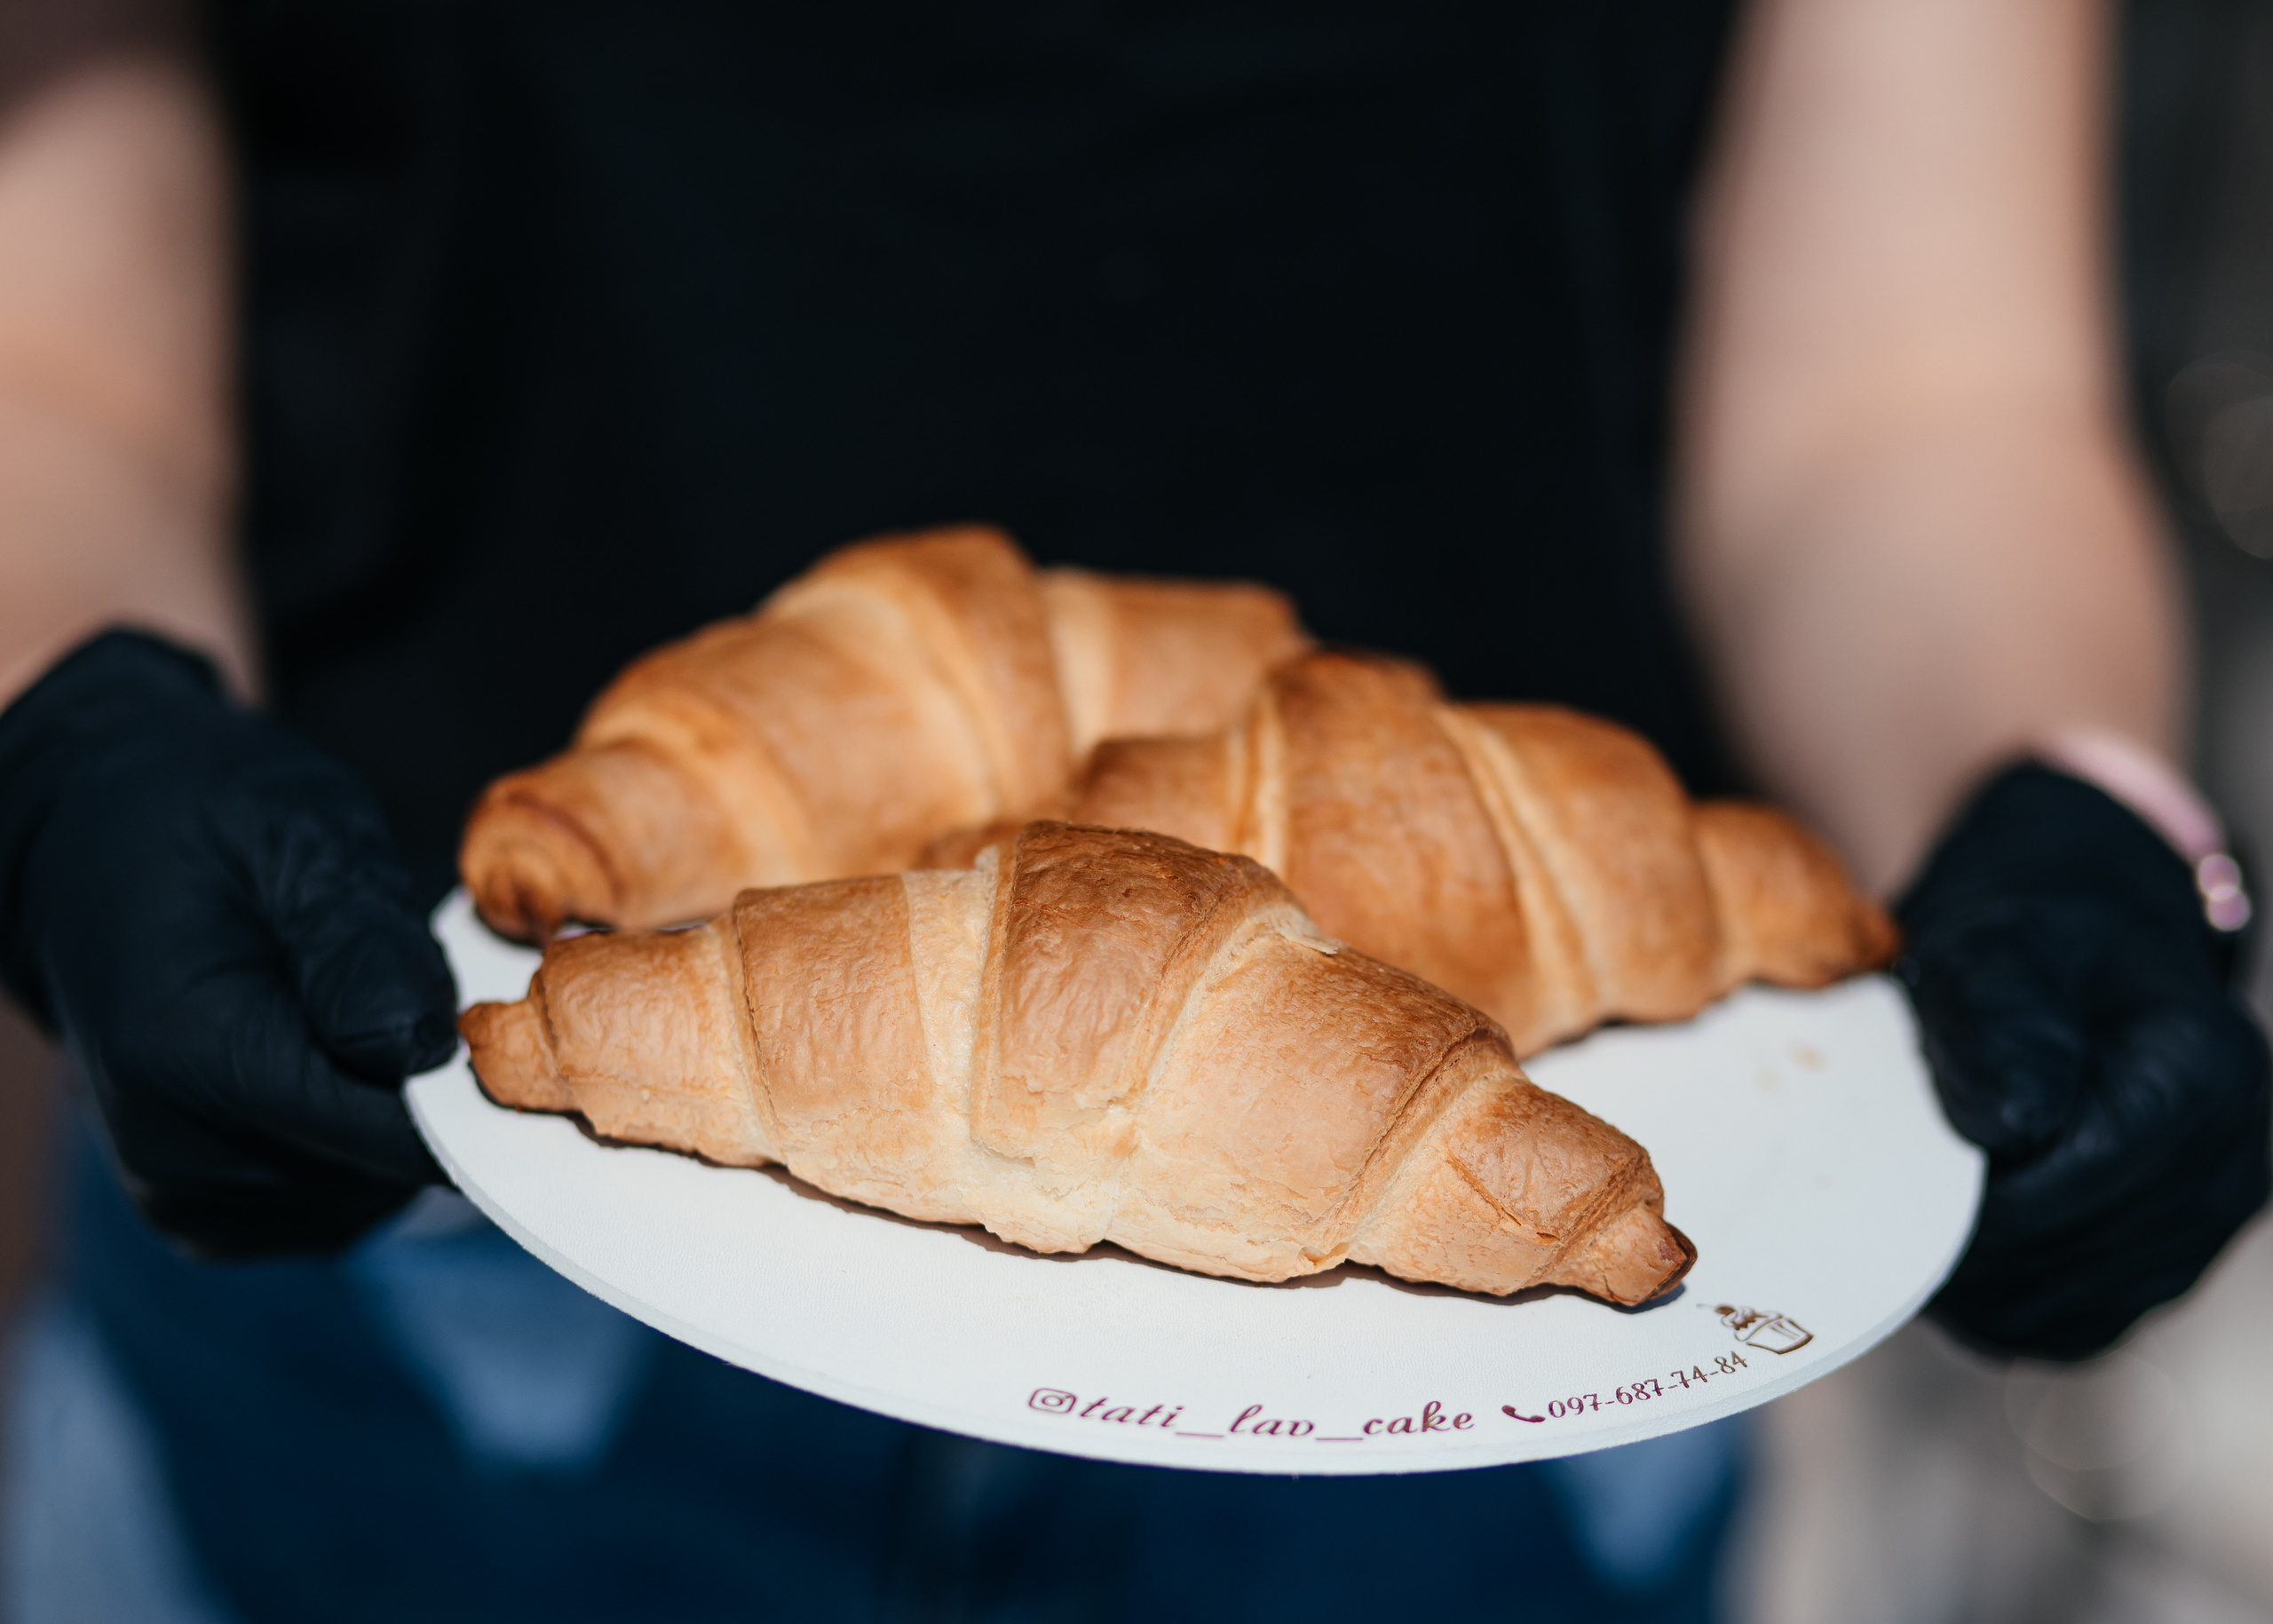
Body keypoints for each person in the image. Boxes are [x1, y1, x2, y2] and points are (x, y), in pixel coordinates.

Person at [0, 1, 2263, 1619]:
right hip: (406, 1224)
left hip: (1468, 1430)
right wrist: (74, 729)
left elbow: (1904, 396)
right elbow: (58, 331)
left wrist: (2058, 809)